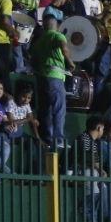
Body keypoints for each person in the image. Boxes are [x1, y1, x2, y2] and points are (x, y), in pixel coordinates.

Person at [30, 11, 70, 147]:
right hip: (55, 77)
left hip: (42, 78)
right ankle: (58, 140)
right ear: (56, 25)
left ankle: (48, 138)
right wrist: (70, 62)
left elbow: (33, 61)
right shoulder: (57, 35)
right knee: (58, 109)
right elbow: (64, 47)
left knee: (46, 109)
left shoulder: (39, 41)